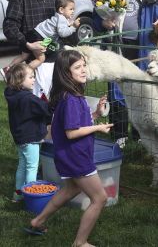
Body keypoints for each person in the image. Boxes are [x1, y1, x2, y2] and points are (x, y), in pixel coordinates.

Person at [25, 49, 113, 246]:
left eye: (84, 65)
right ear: (66, 73)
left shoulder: (70, 95)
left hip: (68, 154)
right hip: (76, 156)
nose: (83, 70)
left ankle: (38, 220)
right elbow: (71, 133)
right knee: (100, 199)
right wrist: (98, 127)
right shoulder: (71, 99)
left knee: (70, 190)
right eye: (77, 67)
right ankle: (80, 242)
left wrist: (96, 114)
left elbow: (75, 123)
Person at [93, 0, 158, 147]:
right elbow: (95, 17)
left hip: (141, 50)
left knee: (140, 92)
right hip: (118, 48)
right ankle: (119, 134)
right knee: (117, 91)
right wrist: (103, 23)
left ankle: (139, 135)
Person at [1, 0, 60, 80]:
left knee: (56, 99)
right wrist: (28, 44)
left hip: (54, 57)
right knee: (37, 99)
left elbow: (61, 20)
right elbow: (9, 26)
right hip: (33, 63)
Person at [4, 63, 51, 202]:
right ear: (19, 79)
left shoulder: (12, 94)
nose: (34, 80)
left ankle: (18, 194)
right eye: (30, 77)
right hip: (30, 138)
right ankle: (32, 197)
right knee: (32, 167)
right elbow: (46, 109)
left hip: (20, 138)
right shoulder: (29, 98)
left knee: (23, 165)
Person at [1, 0, 80, 74]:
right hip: (40, 38)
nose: (73, 11)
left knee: (24, 56)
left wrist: (70, 24)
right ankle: (23, 74)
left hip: (33, 34)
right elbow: (62, 33)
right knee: (40, 59)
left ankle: (7, 69)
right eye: (71, 9)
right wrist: (74, 27)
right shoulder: (62, 19)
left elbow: (62, 26)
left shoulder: (58, 16)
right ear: (61, 10)